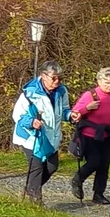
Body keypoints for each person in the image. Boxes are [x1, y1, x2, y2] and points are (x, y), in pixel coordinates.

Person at [11, 61, 70, 205]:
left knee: (52, 166)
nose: (57, 81)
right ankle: (35, 201)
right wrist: (32, 122)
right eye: (54, 78)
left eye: (59, 78)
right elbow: (17, 116)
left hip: (50, 137)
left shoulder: (62, 91)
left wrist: (70, 116)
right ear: (43, 76)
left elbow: (64, 111)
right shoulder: (29, 93)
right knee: (36, 167)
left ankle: (30, 188)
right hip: (31, 137)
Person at [70, 66, 110, 204]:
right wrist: (87, 108)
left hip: (107, 134)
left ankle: (98, 194)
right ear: (99, 81)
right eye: (107, 82)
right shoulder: (90, 95)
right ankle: (78, 179)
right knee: (94, 162)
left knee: (104, 165)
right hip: (89, 135)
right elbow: (75, 114)